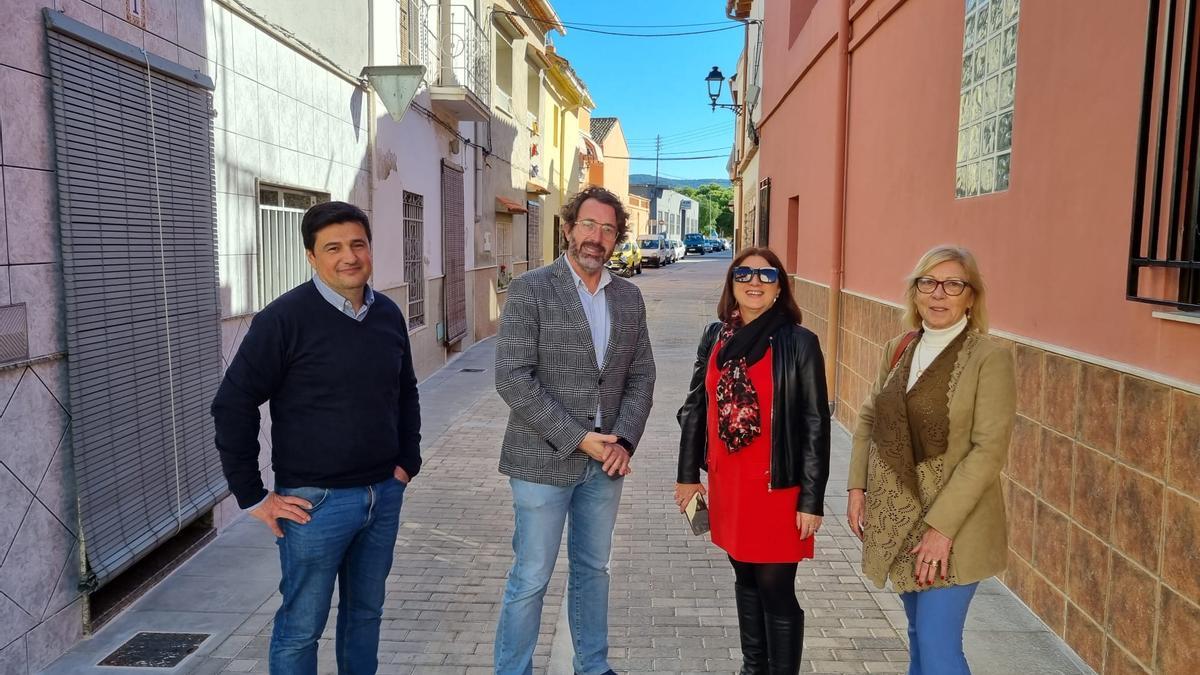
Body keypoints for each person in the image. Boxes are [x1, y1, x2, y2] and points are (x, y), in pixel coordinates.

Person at [211, 201, 421, 675]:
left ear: (369, 249)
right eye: (333, 248)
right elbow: (233, 404)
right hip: (314, 504)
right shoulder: (283, 320)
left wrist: (408, 461)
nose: (349, 256)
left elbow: (404, 389)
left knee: (365, 616)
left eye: (357, 244)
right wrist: (252, 496)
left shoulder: (387, 313)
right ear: (311, 257)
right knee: (301, 627)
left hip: (383, 495)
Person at [493, 186, 656, 675]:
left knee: (593, 571)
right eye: (588, 224)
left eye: (608, 229)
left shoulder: (628, 297)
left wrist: (623, 440)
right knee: (531, 577)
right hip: (540, 463)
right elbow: (512, 377)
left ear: (616, 239)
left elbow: (642, 374)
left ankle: (593, 665)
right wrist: (577, 438)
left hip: (606, 464)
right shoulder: (530, 289)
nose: (597, 237)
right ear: (568, 228)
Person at [846, 245, 1015, 675]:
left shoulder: (989, 358)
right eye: (928, 283)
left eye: (953, 284)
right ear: (915, 293)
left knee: (940, 651)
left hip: (954, 529)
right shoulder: (899, 348)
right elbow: (868, 418)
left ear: (971, 297)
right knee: (921, 639)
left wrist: (941, 529)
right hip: (901, 520)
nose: (939, 294)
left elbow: (988, 450)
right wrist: (856, 487)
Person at [675, 246, 831, 675]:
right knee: (744, 578)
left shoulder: (799, 343)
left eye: (766, 276)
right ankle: (752, 667)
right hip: (729, 485)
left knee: (776, 589)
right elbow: (695, 408)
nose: (754, 282)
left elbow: (816, 423)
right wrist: (688, 476)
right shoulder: (716, 337)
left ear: (780, 288)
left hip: (777, 488)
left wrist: (811, 500)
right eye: (744, 274)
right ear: (731, 285)